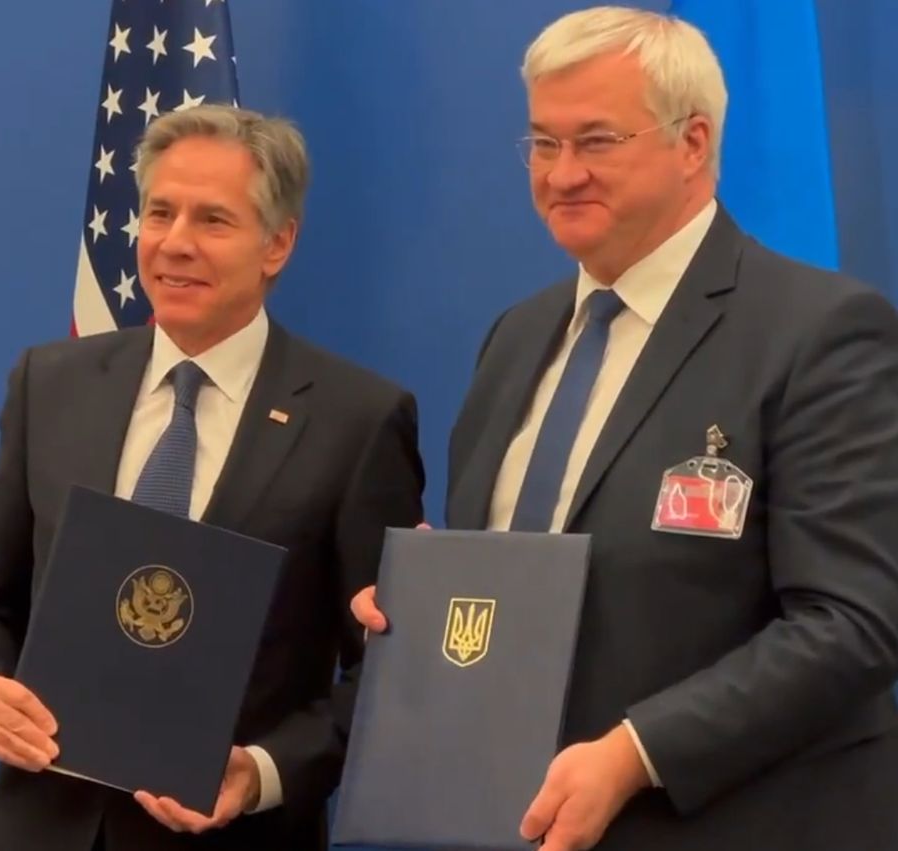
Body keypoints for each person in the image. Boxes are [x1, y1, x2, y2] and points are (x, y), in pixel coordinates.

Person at [352, 7, 898, 850]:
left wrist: (637, 753)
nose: (562, 173)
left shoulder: (818, 331)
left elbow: (852, 622)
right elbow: (520, 595)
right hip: (519, 822)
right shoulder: (516, 337)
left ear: (692, 143)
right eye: (543, 142)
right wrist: (426, 608)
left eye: (597, 141)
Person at [0, 104, 424, 851]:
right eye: (160, 213)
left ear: (278, 243)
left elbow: (386, 670)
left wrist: (263, 771)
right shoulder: (50, 383)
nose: (175, 243)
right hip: (40, 826)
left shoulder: (358, 419)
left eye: (213, 220)